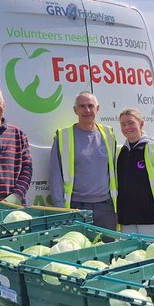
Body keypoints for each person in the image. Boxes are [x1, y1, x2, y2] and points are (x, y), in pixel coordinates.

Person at [49, 91, 119, 229]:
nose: (87, 110)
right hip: (76, 207)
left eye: (90, 106)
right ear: (75, 110)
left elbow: (116, 171)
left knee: (108, 249)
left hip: (105, 208)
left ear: (97, 109)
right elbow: (55, 175)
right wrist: (60, 207)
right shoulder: (64, 136)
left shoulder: (109, 135)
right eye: (82, 106)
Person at [116, 107, 154, 237]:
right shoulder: (121, 152)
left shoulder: (153, 150)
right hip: (127, 218)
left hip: (150, 218)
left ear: (141, 124)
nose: (127, 127)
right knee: (131, 256)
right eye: (123, 124)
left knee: (150, 254)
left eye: (131, 123)